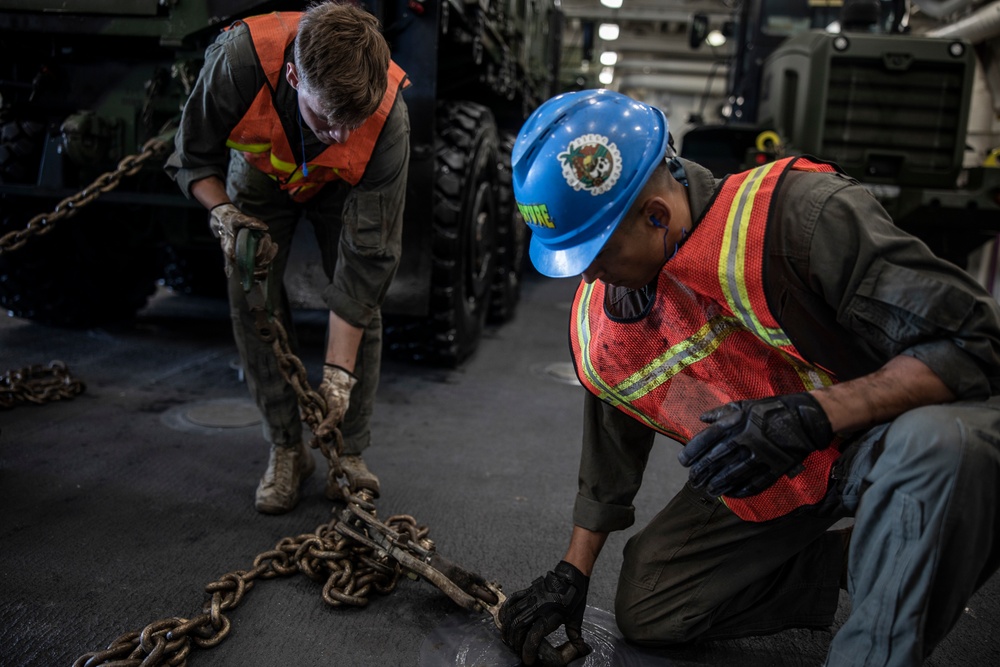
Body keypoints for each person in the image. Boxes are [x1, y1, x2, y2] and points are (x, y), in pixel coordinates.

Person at [498, 88, 1000, 666]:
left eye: (597, 255)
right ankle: (868, 553)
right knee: (653, 604)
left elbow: (973, 343)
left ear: (657, 216)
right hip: (775, 461)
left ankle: (923, 550)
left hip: (881, 433)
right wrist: (572, 573)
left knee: (936, 448)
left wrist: (817, 415)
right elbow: (613, 440)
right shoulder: (613, 307)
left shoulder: (801, 217)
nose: (586, 276)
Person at [165, 1, 410, 514]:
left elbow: (368, 260)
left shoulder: (386, 117)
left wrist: (337, 378)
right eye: (327, 119)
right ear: (295, 76)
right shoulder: (239, 60)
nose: (341, 136)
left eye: (353, 122)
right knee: (249, 296)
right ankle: (286, 448)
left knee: (362, 300)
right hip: (258, 173)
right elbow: (192, 157)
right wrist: (224, 214)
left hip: (341, 186)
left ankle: (349, 454)